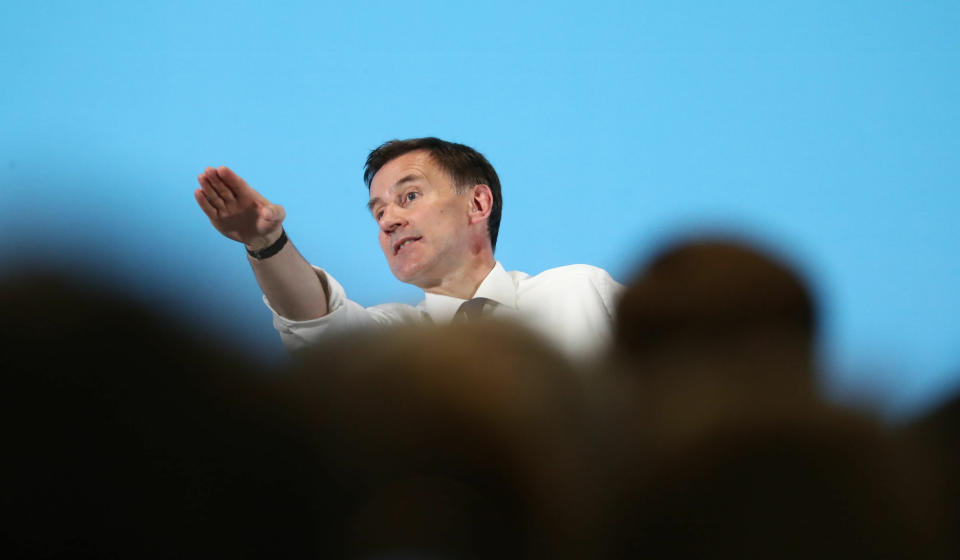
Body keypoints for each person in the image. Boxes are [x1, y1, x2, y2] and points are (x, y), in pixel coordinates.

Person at [194, 137, 623, 357]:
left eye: (409, 197)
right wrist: (266, 242)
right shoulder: (393, 347)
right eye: (378, 212)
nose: (389, 220)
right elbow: (316, 323)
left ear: (477, 203)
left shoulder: (582, 292)